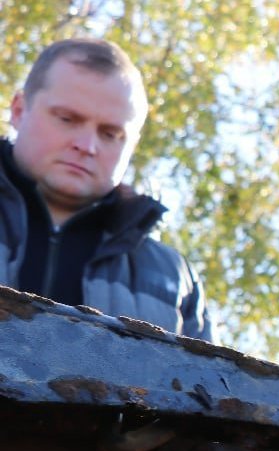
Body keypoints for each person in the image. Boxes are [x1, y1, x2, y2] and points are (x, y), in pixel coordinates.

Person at [1, 38, 211, 340]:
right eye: (67, 119)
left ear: (132, 144)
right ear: (19, 110)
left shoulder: (174, 281)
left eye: (110, 133)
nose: (87, 145)